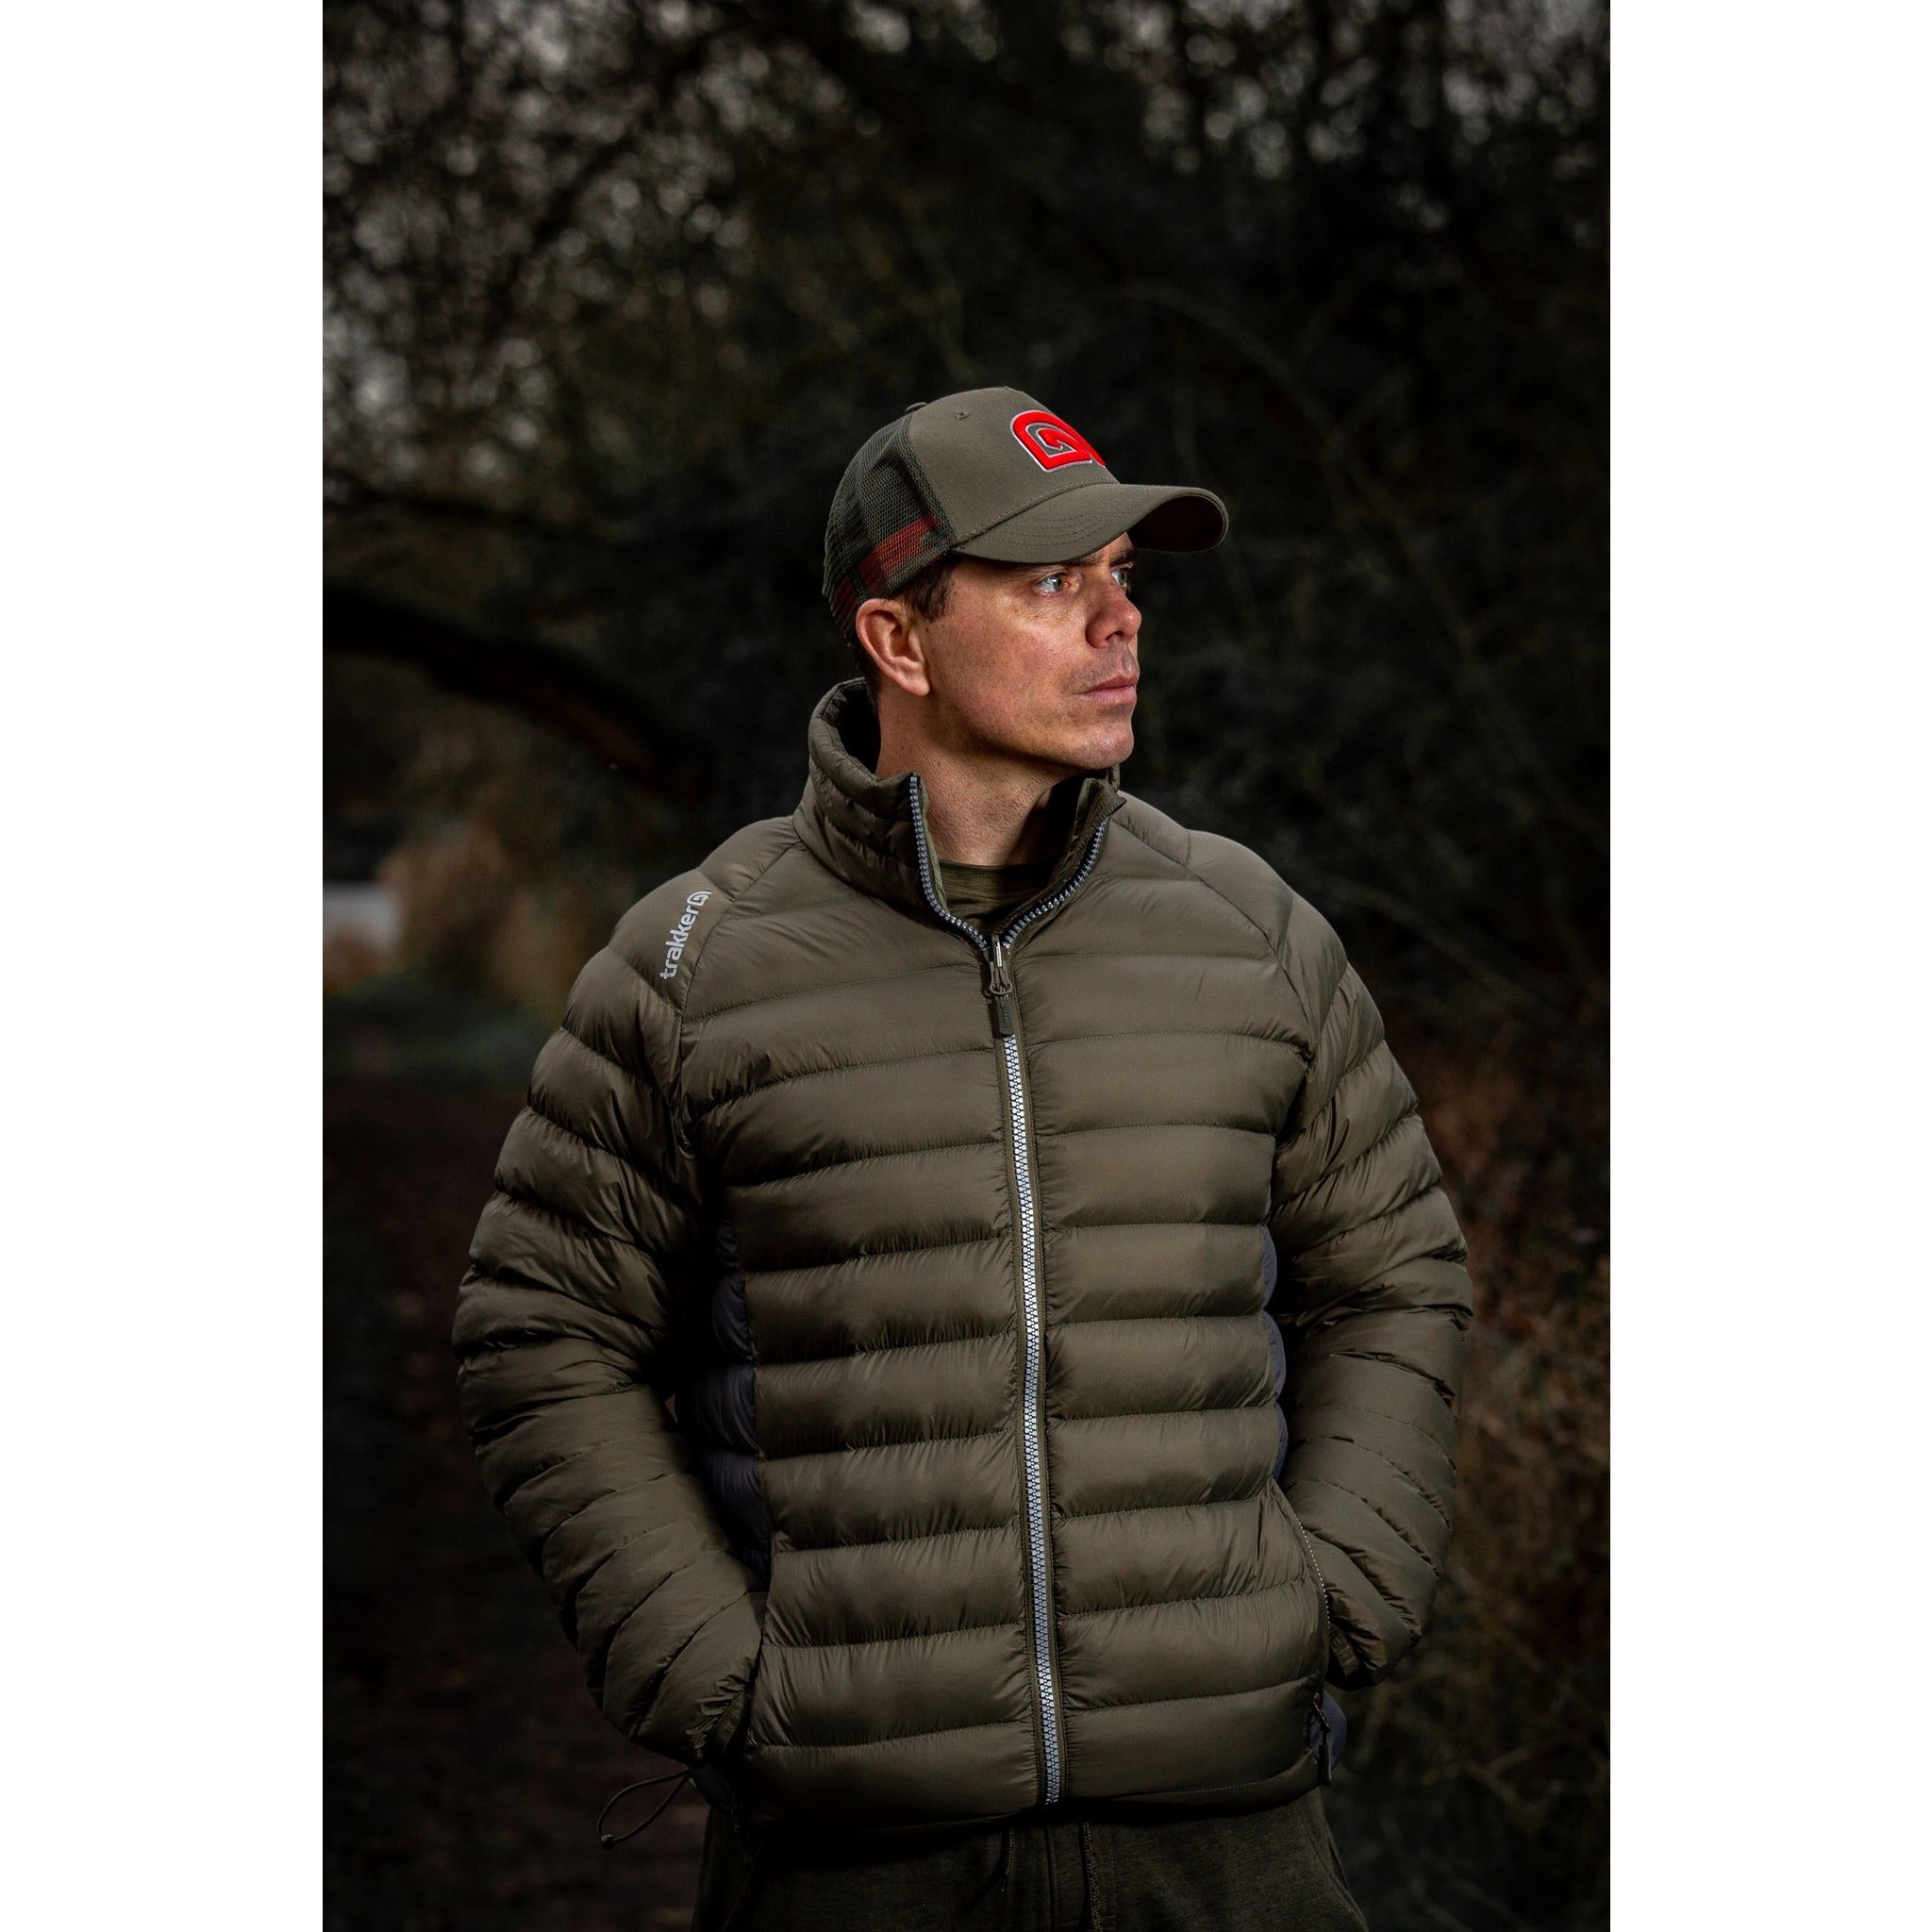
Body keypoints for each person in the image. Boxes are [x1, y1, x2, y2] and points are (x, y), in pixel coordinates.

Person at [452, 387, 1473, 1929]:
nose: (1120, 621)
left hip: (1227, 1847)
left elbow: (1394, 1278)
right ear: (900, 640)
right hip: (853, 1864)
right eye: (1054, 582)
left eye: (1123, 574)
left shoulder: (1253, 935)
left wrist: (1335, 1601)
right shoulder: (694, 967)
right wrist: (718, 1681)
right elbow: (543, 1332)